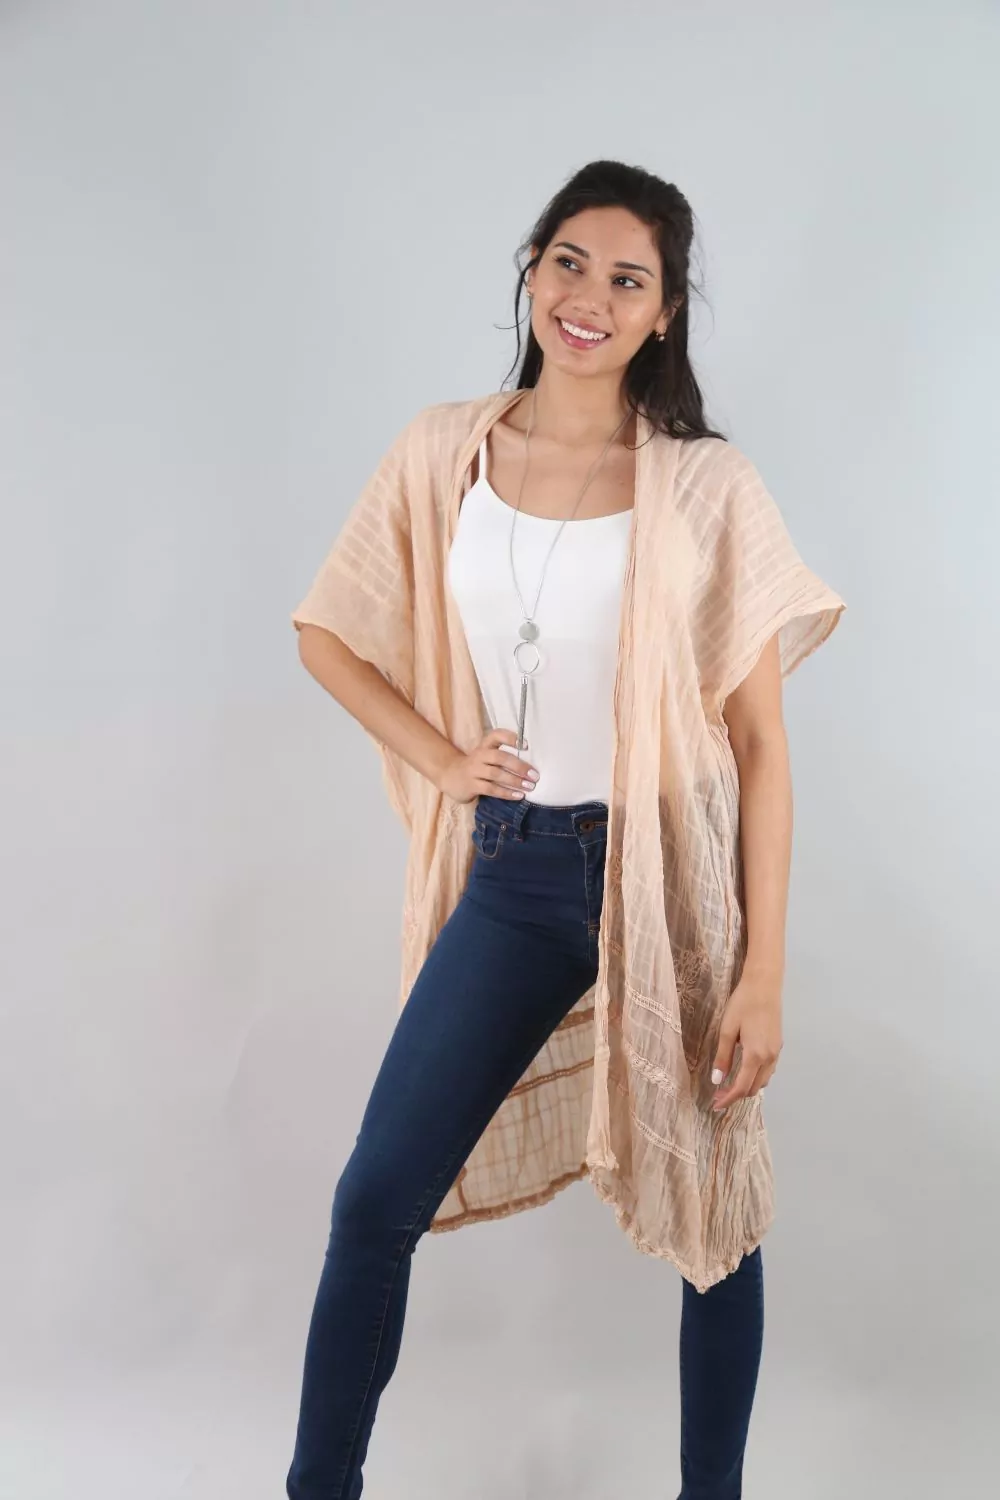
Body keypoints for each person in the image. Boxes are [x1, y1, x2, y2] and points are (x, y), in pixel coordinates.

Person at [285, 159, 846, 1500]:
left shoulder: (705, 485)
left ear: (664, 313)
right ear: (533, 270)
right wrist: (446, 761)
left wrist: (763, 972)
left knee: (712, 1219)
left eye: (628, 279)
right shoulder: (445, 451)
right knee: (375, 1203)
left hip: (670, 879)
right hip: (519, 874)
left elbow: (761, 749)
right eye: (570, 263)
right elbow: (328, 631)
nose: (590, 298)